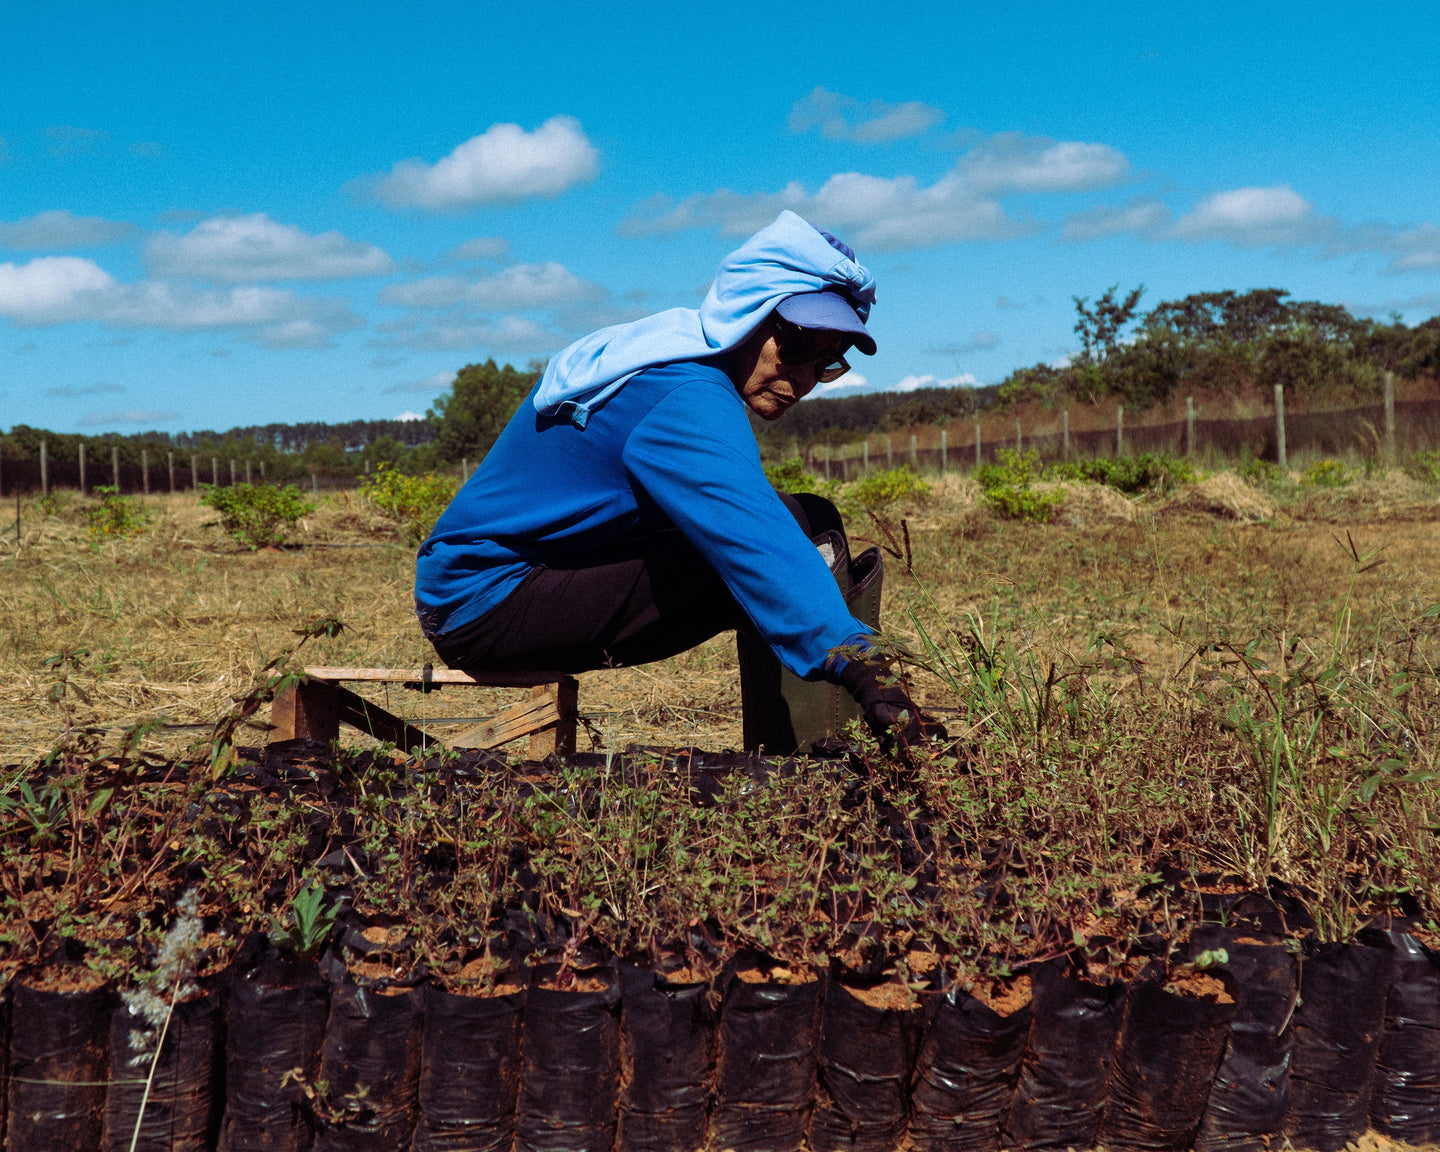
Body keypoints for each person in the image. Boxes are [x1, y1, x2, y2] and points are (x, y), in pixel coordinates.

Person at [414, 210, 941, 754]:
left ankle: (826, 739)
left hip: (520, 572)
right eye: (799, 347)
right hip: (484, 603)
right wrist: (863, 666)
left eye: (830, 363)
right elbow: (753, 538)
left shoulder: (665, 350)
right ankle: (804, 771)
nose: (806, 378)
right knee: (769, 556)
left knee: (810, 520)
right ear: (749, 314)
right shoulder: (684, 394)